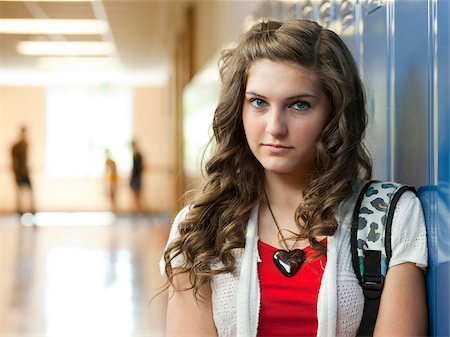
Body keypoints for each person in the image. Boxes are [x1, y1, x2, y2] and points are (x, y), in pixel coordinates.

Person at [160, 20, 428, 337]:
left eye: (299, 105)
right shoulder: (199, 228)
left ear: (334, 113)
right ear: (239, 109)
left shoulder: (390, 217)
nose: (275, 126)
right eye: (258, 102)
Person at [11, 126, 35, 216]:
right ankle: (20, 212)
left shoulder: (26, 144)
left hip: (26, 173)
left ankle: (32, 211)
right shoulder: (16, 147)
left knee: (30, 193)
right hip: (19, 173)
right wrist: (16, 174)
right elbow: (13, 162)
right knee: (20, 193)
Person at [129, 139, 144, 213]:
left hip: (137, 178)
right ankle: (137, 210)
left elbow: (140, 168)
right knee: (135, 196)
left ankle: (138, 211)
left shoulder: (138, 155)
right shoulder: (134, 155)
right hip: (134, 178)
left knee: (137, 196)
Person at [104, 149, 119, 213]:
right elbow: (106, 172)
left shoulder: (112, 162)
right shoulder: (106, 162)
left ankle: (115, 211)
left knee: (113, 197)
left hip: (113, 182)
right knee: (111, 197)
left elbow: (114, 172)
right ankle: (113, 210)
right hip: (110, 182)